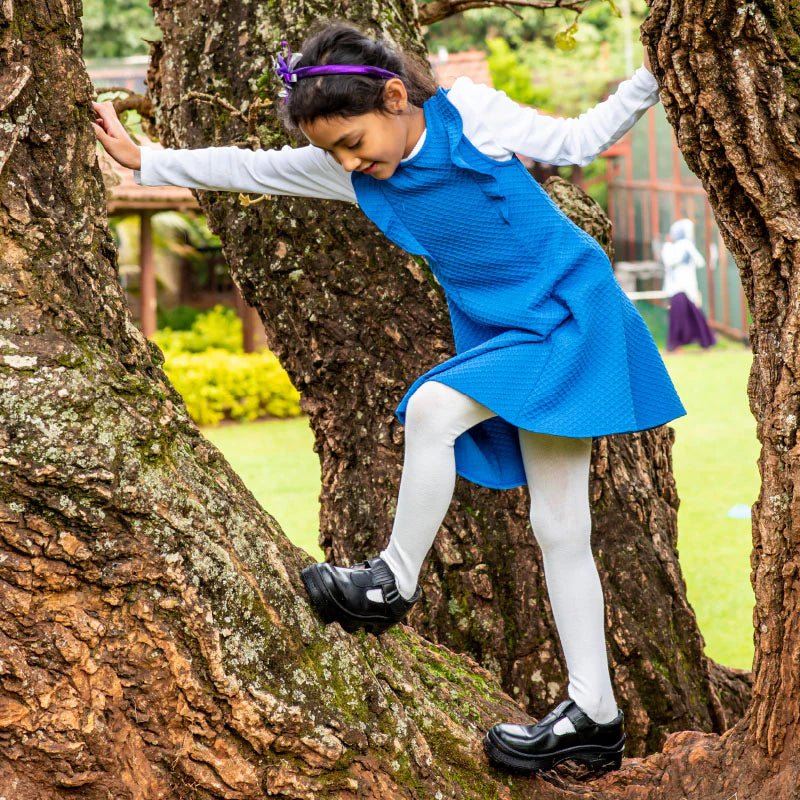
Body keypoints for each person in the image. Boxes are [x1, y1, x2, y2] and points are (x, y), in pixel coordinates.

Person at [92, 20, 686, 777]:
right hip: (511, 333)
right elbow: (250, 167)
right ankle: (595, 714)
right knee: (559, 526)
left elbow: (577, 139)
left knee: (435, 408)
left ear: (397, 97)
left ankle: (392, 581)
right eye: (335, 152)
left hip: (570, 314)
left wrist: (649, 78)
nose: (349, 161)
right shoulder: (353, 172)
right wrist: (146, 158)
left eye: (353, 141)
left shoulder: (471, 116)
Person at [660, 218, 716, 352]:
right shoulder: (670, 247)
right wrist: (679, 256)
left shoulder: (686, 245)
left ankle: (705, 342)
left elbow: (700, 262)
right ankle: (675, 345)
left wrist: (688, 255)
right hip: (676, 289)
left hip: (687, 288)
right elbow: (669, 262)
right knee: (678, 317)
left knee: (695, 315)